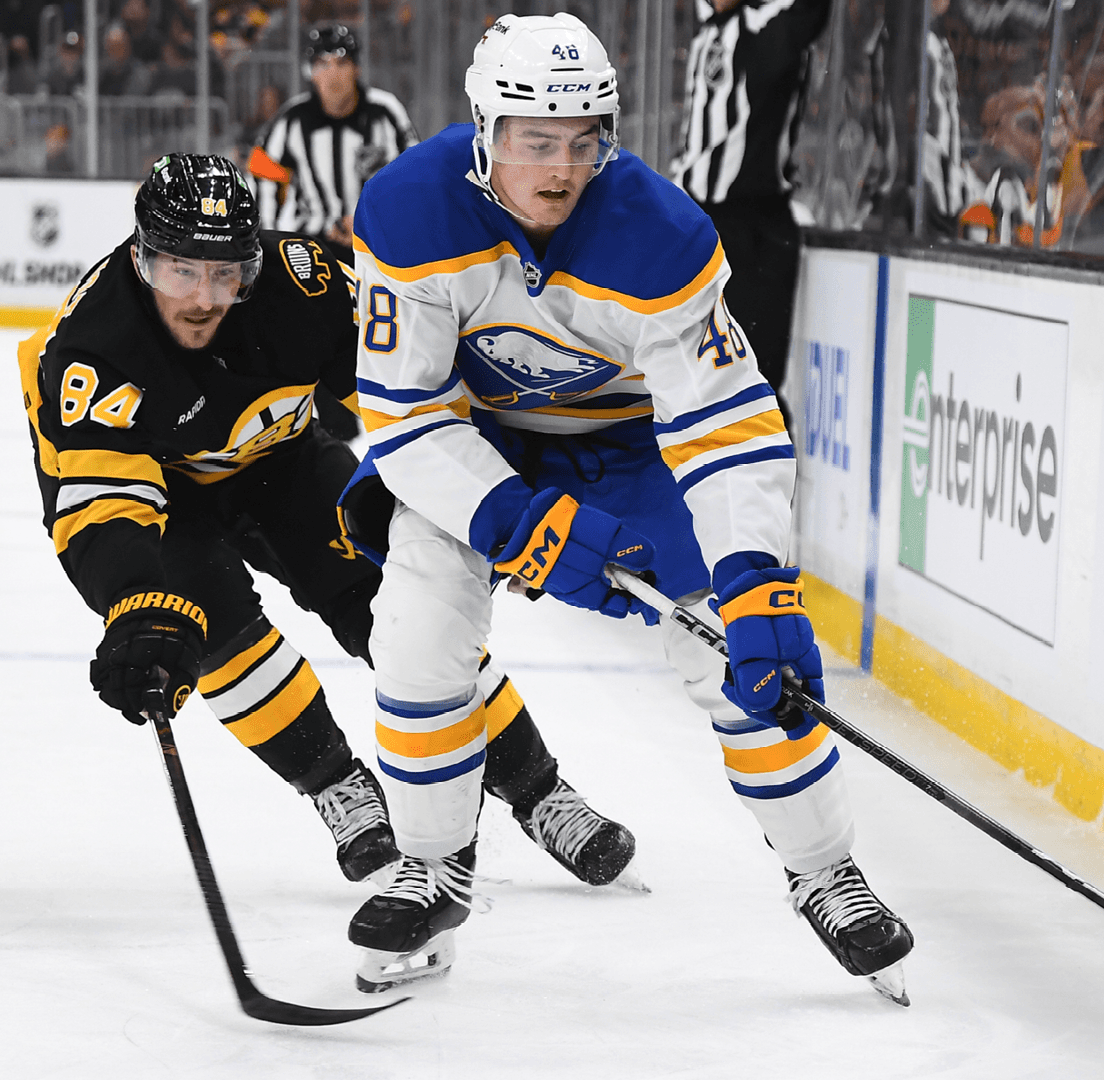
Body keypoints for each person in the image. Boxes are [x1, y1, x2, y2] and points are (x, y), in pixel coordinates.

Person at [339, 13, 913, 1000]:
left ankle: (826, 871)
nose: (561, 169)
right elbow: (405, 413)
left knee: (737, 653)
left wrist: (755, 575)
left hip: (631, 449)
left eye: (583, 141)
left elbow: (726, 424)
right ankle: (433, 866)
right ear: (484, 129)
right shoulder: (406, 211)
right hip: (475, 445)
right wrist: (517, 520)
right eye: (535, 141)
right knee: (416, 627)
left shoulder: (664, 234)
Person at [16, 153, 636, 893]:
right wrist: (133, 604)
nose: (204, 299)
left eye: (225, 274)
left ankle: (538, 790)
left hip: (283, 460)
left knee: (409, 608)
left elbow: (421, 388)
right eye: (181, 271)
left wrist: (504, 498)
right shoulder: (93, 348)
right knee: (210, 626)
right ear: (142, 258)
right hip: (162, 498)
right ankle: (337, 784)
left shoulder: (304, 284)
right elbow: (100, 507)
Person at [670, 0, 831, 431]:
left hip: (753, 228)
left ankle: (764, 470)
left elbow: (808, 17)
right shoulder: (713, 29)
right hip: (702, 223)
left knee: (753, 381)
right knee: (694, 375)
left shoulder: (763, 24)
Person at [254, 23, 416, 247]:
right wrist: (268, 245)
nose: (333, 75)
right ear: (310, 72)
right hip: (310, 244)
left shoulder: (385, 112)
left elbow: (414, 176)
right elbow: (262, 177)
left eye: (342, 63)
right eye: (322, 64)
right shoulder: (292, 119)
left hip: (377, 239)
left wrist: (376, 223)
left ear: (357, 68)